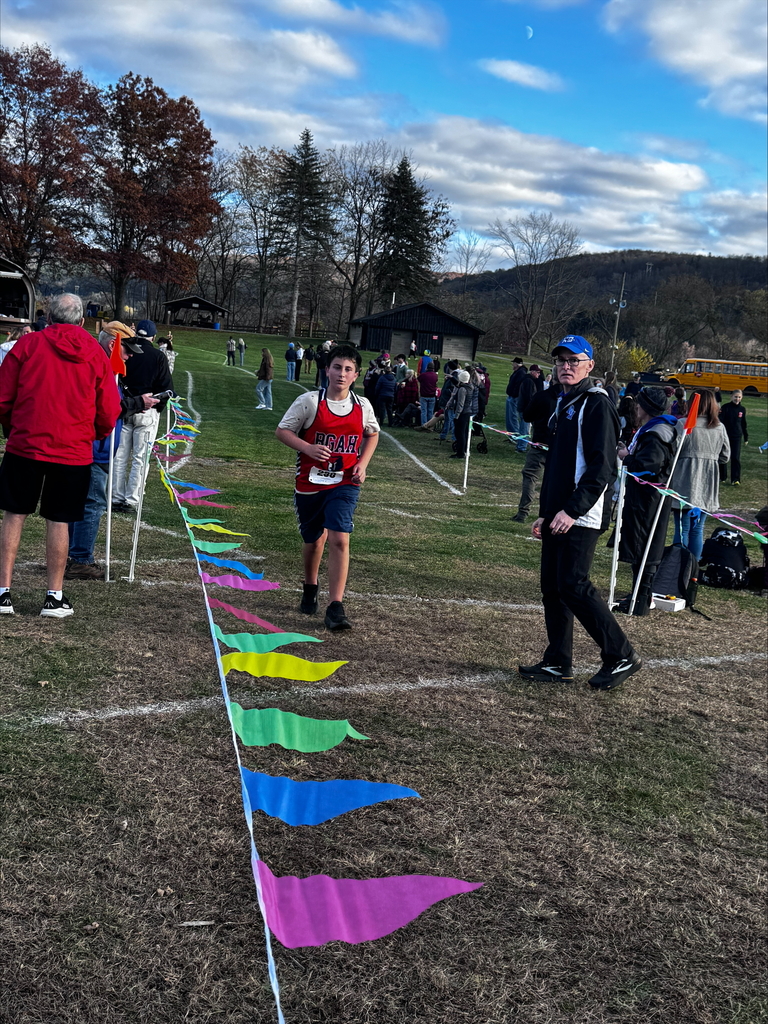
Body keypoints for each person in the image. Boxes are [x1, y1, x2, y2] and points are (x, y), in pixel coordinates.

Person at [519, 335, 640, 692]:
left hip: (582, 515)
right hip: (559, 512)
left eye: (574, 360)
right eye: (560, 361)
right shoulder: (564, 400)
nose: (565, 366)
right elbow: (559, 465)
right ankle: (558, 661)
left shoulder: (596, 404)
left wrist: (571, 511)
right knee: (552, 588)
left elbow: (602, 468)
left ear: (590, 365)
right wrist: (546, 512)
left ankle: (620, 654)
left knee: (573, 584)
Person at [0, 293, 122, 617]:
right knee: (60, 520)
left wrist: (11, 426)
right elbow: (109, 408)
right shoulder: (96, 354)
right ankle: (54, 596)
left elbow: (3, 396)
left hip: (27, 444)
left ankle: (3, 592)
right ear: (81, 322)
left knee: (14, 514)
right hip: (71, 450)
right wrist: (94, 433)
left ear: (49, 318)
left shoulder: (26, 346)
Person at [275, 345, 380, 631]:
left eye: (348, 369)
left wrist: (363, 464)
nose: (341, 374)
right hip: (310, 483)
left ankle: (336, 606)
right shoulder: (309, 402)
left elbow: (373, 434)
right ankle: (310, 586)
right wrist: (308, 447)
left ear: (356, 375)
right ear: (327, 369)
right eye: (337, 367)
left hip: (345, 482)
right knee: (314, 540)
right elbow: (282, 431)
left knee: (340, 538)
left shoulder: (362, 406)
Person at [66, 328, 159, 580]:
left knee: (80, 502)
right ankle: (80, 558)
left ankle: (73, 555)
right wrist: (139, 403)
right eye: (126, 351)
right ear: (112, 345)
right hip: (94, 449)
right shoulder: (100, 367)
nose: (129, 356)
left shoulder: (100, 366)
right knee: (92, 503)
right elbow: (107, 407)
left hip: (89, 447)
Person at [614, 387, 677, 615]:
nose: (636, 408)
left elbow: (649, 464)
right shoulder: (654, 429)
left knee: (644, 547)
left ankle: (641, 599)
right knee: (642, 547)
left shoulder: (656, 432)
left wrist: (626, 457)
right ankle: (638, 594)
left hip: (648, 499)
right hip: (647, 497)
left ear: (646, 408)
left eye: (639, 405)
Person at [111, 319, 174, 514]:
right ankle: (132, 499)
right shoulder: (158, 356)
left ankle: (115, 496)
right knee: (140, 458)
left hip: (123, 408)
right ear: (153, 337)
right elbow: (167, 388)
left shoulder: (123, 353)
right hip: (147, 411)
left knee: (119, 456)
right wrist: (157, 407)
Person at [671, 389, 729, 561]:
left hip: (684, 480)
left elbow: (672, 451)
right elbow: (725, 456)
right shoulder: (719, 428)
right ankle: (692, 570)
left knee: (683, 528)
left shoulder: (684, 425)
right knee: (697, 528)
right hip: (707, 482)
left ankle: (678, 568)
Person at [512, 365, 559, 523]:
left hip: (543, 443)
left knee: (531, 477)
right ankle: (529, 513)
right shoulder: (570, 398)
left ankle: (523, 512)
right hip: (554, 446)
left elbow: (526, 416)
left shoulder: (543, 396)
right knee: (548, 479)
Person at [719, 390, 748, 485]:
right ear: (731, 397)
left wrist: (745, 436)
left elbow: (743, 423)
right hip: (725, 436)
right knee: (723, 456)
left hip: (737, 436)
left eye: (739, 397)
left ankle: (735, 479)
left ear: (742, 398)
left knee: (735, 457)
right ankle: (722, 477)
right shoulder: (725, 407)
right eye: (735, 397)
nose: (737, 399)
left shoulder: (742, 409)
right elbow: (720, 421)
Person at [446, 370, 473, 459]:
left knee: (459, 433)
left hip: (462, 413)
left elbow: (460, 404)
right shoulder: (470, 387)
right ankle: (464, 450)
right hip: (468, 412)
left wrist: (456, 416)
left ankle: (460, 452)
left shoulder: (462, 389)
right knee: (464, 433)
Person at [516, 364, 543, 453]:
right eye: (538, 372)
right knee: (524, 429)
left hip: (524, 408)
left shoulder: (529, 380)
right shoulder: (528, 381)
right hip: (525, 409)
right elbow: (528, 397)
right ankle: (521, 447)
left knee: (524, 428)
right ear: (532, 372)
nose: (539, 374)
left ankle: (521, 445)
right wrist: (531, 408)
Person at [505, 357, 526, 444]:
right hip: (512, 396)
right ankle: (511, 435)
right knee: (510, 416)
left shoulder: (521, 373)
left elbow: (518, 386)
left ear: (517, 364)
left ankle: (515, 436)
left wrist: (514, 394)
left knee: (512, 416)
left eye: (513, 363)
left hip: (514, 397)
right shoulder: (517, 372)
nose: (512, 365)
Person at [374, 362, 396, 427]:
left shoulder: (382, 378)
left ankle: (381, 422)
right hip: (391, 395)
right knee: (390, 409)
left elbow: (377, 387)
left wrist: (376, 394)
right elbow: (395, 388)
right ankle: (390, 422)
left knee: (382, 409)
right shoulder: (394, 379)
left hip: (382, 395)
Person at [418, 361, 438, 426]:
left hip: (424, 395)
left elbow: (419, 379)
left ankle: (424, 424)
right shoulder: (435, 376)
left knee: (424, 411)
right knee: (430, 411)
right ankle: (430, 425)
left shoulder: (423, 375)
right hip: (432, 395)